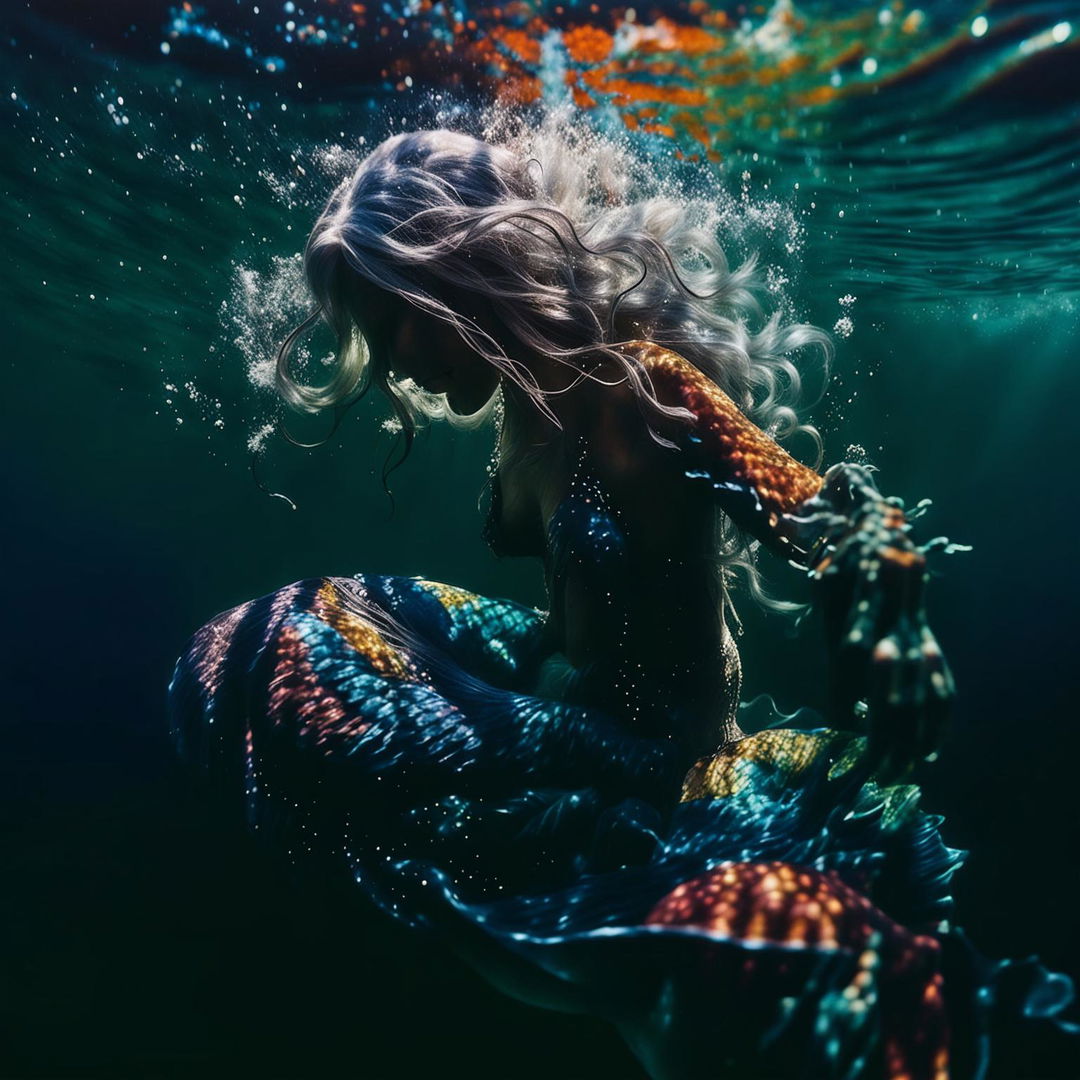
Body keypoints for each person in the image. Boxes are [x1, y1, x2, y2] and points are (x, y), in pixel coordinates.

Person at [170, 128, 1074, 1079]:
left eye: (394, 314)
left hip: (656, 770)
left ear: (468, 265)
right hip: (558, 711)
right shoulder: (521, 407)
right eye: (372, 326)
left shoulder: (642, 386)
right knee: (265, 643)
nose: (390, 362)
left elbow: (817, 513)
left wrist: (895, 603)